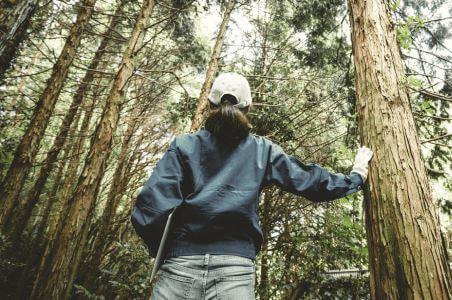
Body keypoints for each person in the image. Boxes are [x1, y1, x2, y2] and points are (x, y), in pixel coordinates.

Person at [131, 72, 373, 299]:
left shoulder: (184, 145)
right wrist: (355, 177)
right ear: (248, 108)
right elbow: (308, 181)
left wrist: (167, 251)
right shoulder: (262, 150)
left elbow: (150, 206)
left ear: (209, 105)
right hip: (235, 270)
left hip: (180, 266)